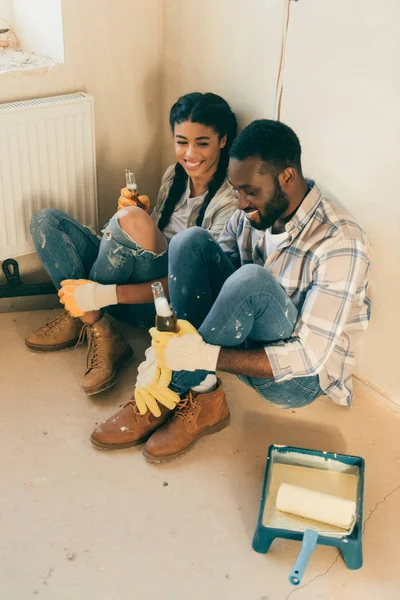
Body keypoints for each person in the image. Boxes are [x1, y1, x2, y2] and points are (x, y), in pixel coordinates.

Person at [90, 119, 371, 461]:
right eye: (236, 190)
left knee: (251, 279)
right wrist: (166, 343)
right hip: (242, 344)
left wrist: (201, 357)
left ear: (287, 177)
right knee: (188, 242)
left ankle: (165, 390)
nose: (240, 203)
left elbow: (308, 357)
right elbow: (204, 281)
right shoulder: (251, 213)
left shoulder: (340, 241)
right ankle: (205, 394)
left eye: (250, 191)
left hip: (296, 379)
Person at [25, 92, 238, 396]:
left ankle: (86, 317)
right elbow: (149, 242)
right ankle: (95, 321)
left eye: (202, 143)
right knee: (46, 221)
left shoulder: (228, 201)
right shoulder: (174, 176)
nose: (190, 153)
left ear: (222, 140)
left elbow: (192, 283)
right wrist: (134, 218)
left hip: (159, 303)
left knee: (131, 219)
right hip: (132, 283)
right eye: (181, 141)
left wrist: (103, 290)